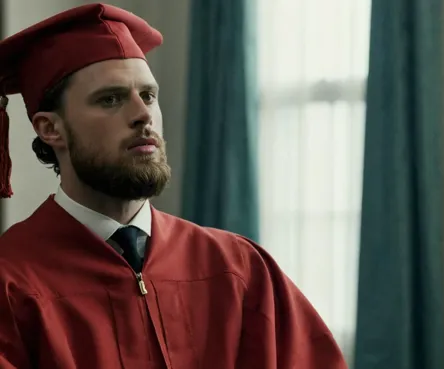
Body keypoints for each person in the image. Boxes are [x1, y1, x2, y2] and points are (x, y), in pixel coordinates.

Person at [0, 3, 347, 369]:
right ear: (50, 129)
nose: (143, 115)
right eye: (111, 99)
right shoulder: (11, 280)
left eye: (148, 96)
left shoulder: (239, 269)